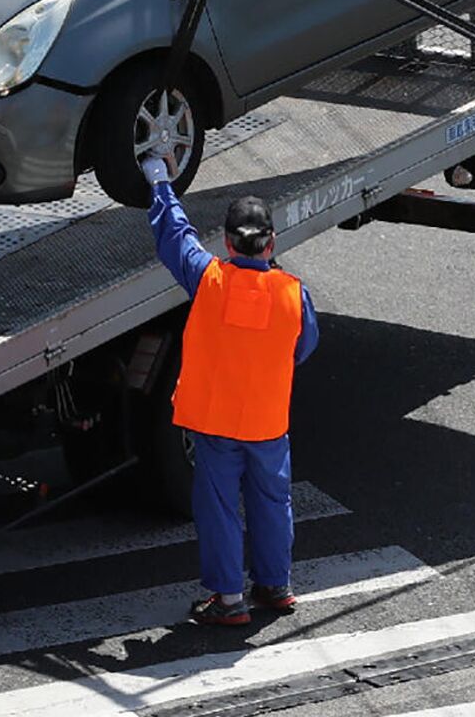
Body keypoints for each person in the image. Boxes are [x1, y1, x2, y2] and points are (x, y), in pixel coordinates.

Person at [143, 155, 319, 628]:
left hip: (215, 421)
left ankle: (227, 598)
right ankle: (275, 586)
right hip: (266, 421)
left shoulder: (208, 280)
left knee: (220, 507)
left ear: (225, 241)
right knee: (272, 502)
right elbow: (304, 348)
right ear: (272, 243)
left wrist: (160, 182)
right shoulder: (293, 292)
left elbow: (173, 237)